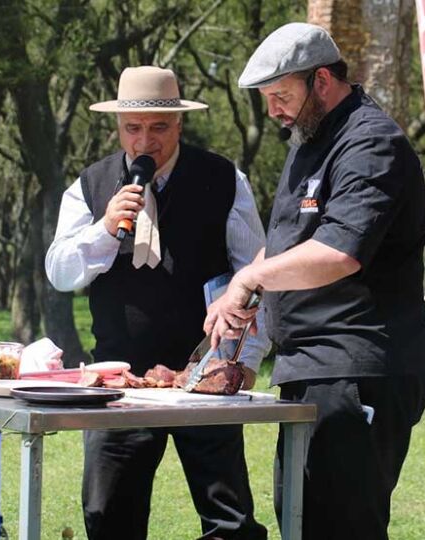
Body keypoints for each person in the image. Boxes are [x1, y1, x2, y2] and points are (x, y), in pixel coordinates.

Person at [205, 23, 425, 540]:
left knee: (341, 525)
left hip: (360, 366)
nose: (274, 111)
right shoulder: (309, 138)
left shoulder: (372, 143)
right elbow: (290, 243)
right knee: (301, 518)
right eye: (267, 99)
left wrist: (252, 276)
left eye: (282, 96)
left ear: (323, 80)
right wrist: (243, 288)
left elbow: (339, 252)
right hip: (310, 366)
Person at [45, 66, 268, 540]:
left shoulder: (224, 179)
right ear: (118, 127)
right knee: (109, 520)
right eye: (133, 129)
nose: (145, 142)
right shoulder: (91, 185)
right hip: (118, 382)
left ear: (180, 124)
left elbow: (257, 277)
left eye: (159, 128)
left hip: (203, 375)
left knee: (230, 522)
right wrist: (105, 228)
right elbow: (60, 272)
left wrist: (244, 361)